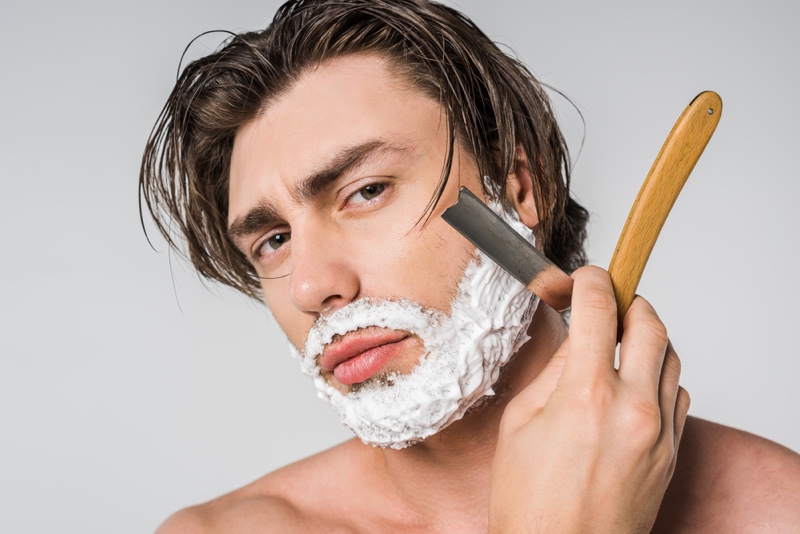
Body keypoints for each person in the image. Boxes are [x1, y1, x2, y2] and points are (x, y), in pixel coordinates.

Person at [140, 0, 800, 531]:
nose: (311, 287)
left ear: (518, 188)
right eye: (273, 241)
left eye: (367, 191)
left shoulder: (778, 513)